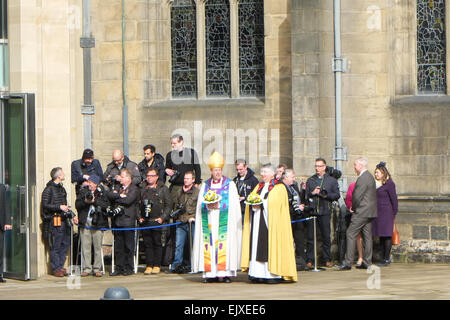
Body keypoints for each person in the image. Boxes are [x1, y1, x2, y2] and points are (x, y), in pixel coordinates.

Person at [241, 164, 297, 284]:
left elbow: (276, 205)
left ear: (272, 174)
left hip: (271, 224)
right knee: (256, 246)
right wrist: (252, 204)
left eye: (265, 172)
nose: (263, 174)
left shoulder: (279, 187)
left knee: (268, 246)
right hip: (257, 221)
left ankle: (272, 274)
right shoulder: (259, 186)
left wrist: (261, 204)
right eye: (262, 172)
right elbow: (252, 198)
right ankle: (257, 273)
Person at [192, 152, 242, 283]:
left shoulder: (229, 185)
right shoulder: (205, 185)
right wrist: (208, 205)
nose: (218, 172)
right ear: (211, 171)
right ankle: (210, 274)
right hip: (209, 220)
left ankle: (224, 274)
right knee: (209, 244)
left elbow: (234, 205)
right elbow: (200, 205)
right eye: (215, 170)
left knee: (224, 245)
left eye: (219, 170)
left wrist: (219, 204)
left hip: (224, 221)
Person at [338, 157, 377, 270]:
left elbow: (357, 196)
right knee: (367, 236)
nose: (354, 167)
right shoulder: (369, 176)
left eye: (355, 165)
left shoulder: (363, 178)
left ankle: (348, 262)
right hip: (369, 212)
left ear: (361, 165)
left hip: (361, 211)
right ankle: (367, 261)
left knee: (350, 233)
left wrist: (353, 208)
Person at [41, 167, 78, 277]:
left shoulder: (62, 189)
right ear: (58, 176)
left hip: (64, 220)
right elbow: (45, 205)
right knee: (55, 245)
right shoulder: (48, 190)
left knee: (65, 244)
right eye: (62, 173)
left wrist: (73, 216)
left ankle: (60, 266)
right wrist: (59, 207)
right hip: (54, 221)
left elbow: (64, 205)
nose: (64, 174)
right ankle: (56, 268)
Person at [305, 158, 340, 268]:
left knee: (326, 236)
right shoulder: (311, 180)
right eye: (316, 166)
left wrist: (326, 195)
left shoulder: (331, 180)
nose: (317, 168)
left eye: (319, 166)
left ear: (324, 167)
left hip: (325, 210)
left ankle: (327, 259)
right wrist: (313, 192)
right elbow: (305, 196)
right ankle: (310, 259)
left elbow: (337, 195)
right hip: (313, 211)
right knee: (310, 237)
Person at [75, 175, 110, 277]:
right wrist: (85, 202)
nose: (89, 184)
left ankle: (97, 268)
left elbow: (105, 205)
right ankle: (87, 268)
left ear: (96, 184)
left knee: (97, 247)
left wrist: (95, 201)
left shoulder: (102, 192)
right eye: (88, 182)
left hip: (98, 222)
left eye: (91, 182)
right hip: (85, 222)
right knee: (85, 246)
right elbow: (77, 205)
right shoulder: (83, 191)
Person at [139, 168, 172, 275]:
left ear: (157, 177)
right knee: (147, 244)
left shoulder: (163, 189)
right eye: (148, 175)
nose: (149, 178)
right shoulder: (143, 188)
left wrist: (162, 217)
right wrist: (139, 216)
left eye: (152, 176)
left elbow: (168, 205)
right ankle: (149, 265)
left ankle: (157, 265)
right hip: (145, 221)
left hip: (157, 221)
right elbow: (137, 204)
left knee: (157, 243)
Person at [107, 168, 140, 276]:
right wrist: (119, 196)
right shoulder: (118, 188)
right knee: (118, 246)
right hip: (118, 221)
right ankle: (119, 267)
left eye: (122, 176)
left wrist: (117, 198)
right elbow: (110, 195)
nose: (120, 178)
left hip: (128, 220)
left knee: (128, 246)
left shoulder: (134, 189)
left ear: (127, 178)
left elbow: (128, 200)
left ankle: (128, 267)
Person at [166, 171, 199, 274]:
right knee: (178, 245)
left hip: (191, 222)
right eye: (185, 178)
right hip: (180, 221)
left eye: (188, 178)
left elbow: (199, 207)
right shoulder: (179, 191)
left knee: (191, 245)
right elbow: (176, 205)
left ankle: (192, 265)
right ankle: (176, 266)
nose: (186, 180)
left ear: (193, 180)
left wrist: (194, 217)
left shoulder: (197, 192)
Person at [372, 162, 398, 267]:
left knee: (387, 236)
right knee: (381, 236)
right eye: (375, 172)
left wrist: (393, 213)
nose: (376, 174)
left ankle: (387, 258)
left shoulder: (390, 184)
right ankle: (383, 257)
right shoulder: (376, 184)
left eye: (378, 172)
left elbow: (394, 200)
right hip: (378, 214)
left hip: (387, 213)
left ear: (383, 173)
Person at [282, 168, 307, 271]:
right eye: (292, 177)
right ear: (286, 177)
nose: (293, 179)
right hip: (289, 217)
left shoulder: (293, 186)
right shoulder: (283, 187)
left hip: (297, 217)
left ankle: (300, 262)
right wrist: (295, 208)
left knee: (299, 240)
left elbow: (297, 198)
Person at [165, 134, 202, 204]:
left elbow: (197, 169)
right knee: (174, 207)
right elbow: (167, 168)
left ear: (181, 142)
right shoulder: (169, 155)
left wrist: (196, 184)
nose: (172, 145)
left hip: (189, 186)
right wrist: (167, 170)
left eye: (174, 143)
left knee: (189, 207)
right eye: (171, 143)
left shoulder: (191, 152)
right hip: (175, 186)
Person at [343, 182, 364, 267]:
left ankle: (366, 258)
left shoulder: (369, 184)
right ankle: (360, 257)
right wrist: (350, 207)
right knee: (358, 236)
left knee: (367, 236)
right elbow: (348, 199)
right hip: (356, 214)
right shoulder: (352, 185)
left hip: (367, 213)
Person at [0, 183, 12, 283]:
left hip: (0, 224)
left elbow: (6, 205)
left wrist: (7, 221)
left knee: (0, 250)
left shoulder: (2, 187)